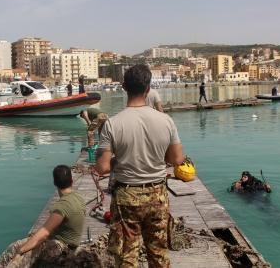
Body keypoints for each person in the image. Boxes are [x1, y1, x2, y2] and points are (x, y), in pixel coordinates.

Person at [95, 64, 185, 268]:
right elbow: (177, 159)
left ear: (124, 87)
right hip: (157, 194)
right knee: (159, 254)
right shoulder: (166, 121)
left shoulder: (113, 124)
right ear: (148, 87)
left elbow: (101, 168)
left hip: (126, 197)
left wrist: (120, 159)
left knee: (127, 256)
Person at [17, 165, 85, 261]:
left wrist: (21, 251)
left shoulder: (61, 207)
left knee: (16, 248)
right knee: (25, 243)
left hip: (64, 249)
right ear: (71, 181)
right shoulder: (79, 198)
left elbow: (44, 233)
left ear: (55, 183)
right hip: (71, 245)